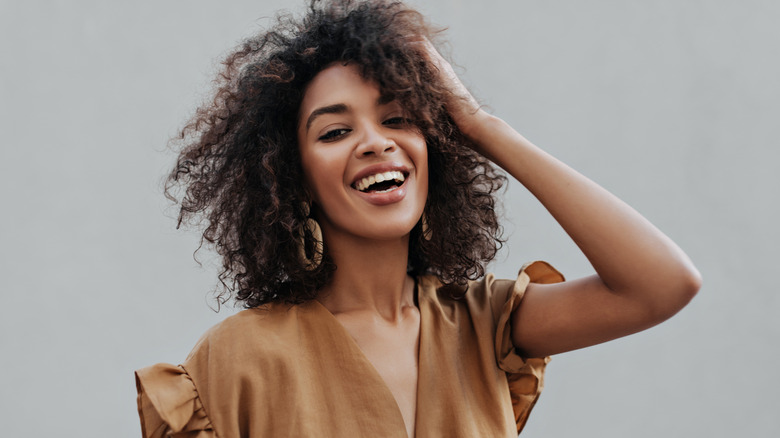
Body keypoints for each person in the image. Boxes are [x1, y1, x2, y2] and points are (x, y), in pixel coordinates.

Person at [134, 0, 701, 436]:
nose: (375, 143)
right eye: (335, 131)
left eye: (399, 119)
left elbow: (661, 285)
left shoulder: (485, 326)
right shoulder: (238, 359)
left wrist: (481, 126)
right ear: (291, 177)